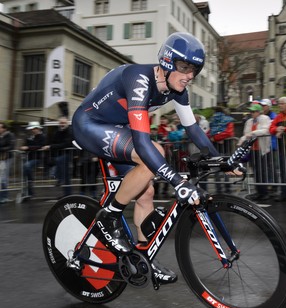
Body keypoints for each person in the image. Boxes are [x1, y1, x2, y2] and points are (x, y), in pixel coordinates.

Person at [71, 32, 238, 284]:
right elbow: (141, 141)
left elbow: (193, 130)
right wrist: (176, 182)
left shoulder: (177, 90)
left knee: (145, 192)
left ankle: (143, 256)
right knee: (155, 152)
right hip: (90, 124)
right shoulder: (139, 78)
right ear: (167, 63)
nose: (190, 76)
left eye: (194, 70)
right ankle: (109, 216)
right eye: (184, 68)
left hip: (117, 129)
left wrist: (220, 161)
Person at [238, 104, 272, 202]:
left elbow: (266, 130)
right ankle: (258, 191)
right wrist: (241, 141)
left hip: (262, 149)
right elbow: (246, 133)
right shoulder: (249, 121)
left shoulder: (265, 118)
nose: (252, 113)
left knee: (262, 172)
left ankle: (264, 193)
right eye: (251, 112)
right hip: (253, 149)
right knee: (256, 172)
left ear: (259, 112)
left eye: (253, 112)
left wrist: (253, 133)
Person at [42, 116, 74, 198]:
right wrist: (50, 146)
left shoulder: (70, 131)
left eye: (64, 123)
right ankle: (65, 192)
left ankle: (67, 194)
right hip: (59, 155)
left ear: (67, 123)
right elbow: (53, 141)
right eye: (61, 123)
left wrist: (51, 146)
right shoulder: (57, 132)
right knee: (64, 175)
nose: (62, 124)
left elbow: (66, 144)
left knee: (65, 176)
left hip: (66, 155)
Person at [209, 106, 235, 194]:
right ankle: (227, 188)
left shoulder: (212, 120)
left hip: (215, 147)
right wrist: (219, 138)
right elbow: (229, 133)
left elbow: (209, 133)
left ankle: (218, 189)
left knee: (216, 168)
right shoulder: (228, 120)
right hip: (226, 146)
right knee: (226, 168)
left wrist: (215, 138)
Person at [19, 121, 46, 199]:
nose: (32, 130)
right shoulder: (29, 137)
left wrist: (28, 147)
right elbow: (25, 145)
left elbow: (40, 146)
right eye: (31, 129)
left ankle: (30, 182)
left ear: (37, 128)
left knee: (27, 167)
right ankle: (29, 192)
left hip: (37, 158)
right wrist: (24, 147)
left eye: (33, 129)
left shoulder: (42, 137)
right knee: (25, 172)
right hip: (28, 157)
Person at [0, 122, 15, 203]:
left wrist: (2, 149)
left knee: (4, 178)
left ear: (4, 128)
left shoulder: (10, 135)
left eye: (0, 127)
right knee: (1, 178)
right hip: (1, 159)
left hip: (7, 158)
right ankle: (2, 196)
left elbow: (11, 146)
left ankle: (4, 197)